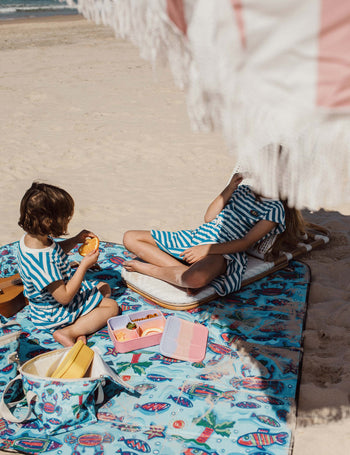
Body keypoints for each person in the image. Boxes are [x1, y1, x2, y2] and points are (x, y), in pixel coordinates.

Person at [123, 173, 305, 296]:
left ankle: (151, 270)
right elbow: (209, 217)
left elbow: (245, 243)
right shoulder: (241, 191)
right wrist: (229, 189)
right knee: (130, 237)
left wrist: (207, 250)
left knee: (194, 279)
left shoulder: (274, 209)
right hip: (197, 237)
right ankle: (180, 272)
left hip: (223, 251)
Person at [17, 182, 120, 347]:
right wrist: (83, 266)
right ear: (50, 221)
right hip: (54, 313)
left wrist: (75, 240)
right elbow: (64, 297)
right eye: (66, 218)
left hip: (47, 306)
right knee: (112, 307)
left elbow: (55, 250)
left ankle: (82, 323)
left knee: (104, 287)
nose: (68, 221)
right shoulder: (42, 260)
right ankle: (69, 332)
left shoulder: (31, 240)